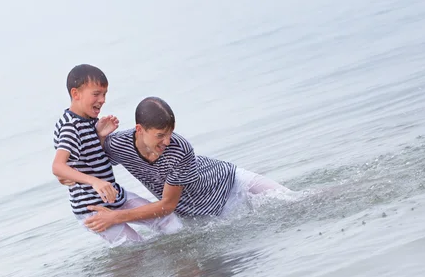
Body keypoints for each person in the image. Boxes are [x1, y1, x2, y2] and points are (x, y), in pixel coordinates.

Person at [82, 96, 294, 233]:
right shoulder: (119, 144)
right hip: (205, 218)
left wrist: (115, 217)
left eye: (170, 133)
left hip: (233, 184)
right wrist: (99, 137)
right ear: (139, 129)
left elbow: (167, 206)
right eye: (160, 135)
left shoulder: (179, 149)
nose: (167, 141)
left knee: (296, 202)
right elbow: (94, 162)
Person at [52, 66, 182, 246]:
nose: (102, 100)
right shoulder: (70, 126)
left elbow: (85, 157)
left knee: (168, 221)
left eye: (105, 94)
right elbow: (58, 166)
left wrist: (100, 137)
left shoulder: (88, 121)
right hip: (92, 209)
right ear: (76, 93)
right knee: (135, 247)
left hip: (116, 196)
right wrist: (95, 181)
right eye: (96, 94)